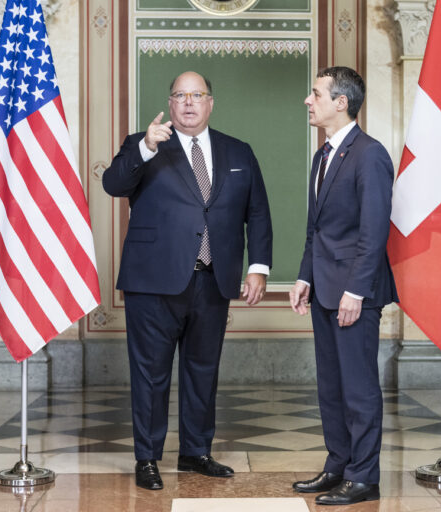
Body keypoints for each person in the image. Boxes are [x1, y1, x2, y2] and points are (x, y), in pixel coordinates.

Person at [103, 71, 273, 491]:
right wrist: (145, 146)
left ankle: (196, 451)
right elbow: (113, 184)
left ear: (211, 102)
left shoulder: (239, 151)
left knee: (203, 370)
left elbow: (258, 213)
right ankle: (147, 457)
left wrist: (259, 267)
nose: (189, 102)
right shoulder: (143, 145)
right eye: (180, 95)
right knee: (151, 373)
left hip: (213, 280)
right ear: (170, 102)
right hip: (153, 282)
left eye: (197, 95)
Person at [289, 66, 397, 506]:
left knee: (359, 388)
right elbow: (317, 229)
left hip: (354, 294)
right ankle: (338, 466)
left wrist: (355, 291)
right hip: (323, 289)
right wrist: (303, 276)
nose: (307, 101)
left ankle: (364, 476)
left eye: (315, 94)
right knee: (330, 387)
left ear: (341, 102)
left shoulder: (370, 154)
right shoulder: (322, 156)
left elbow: (374, 232)